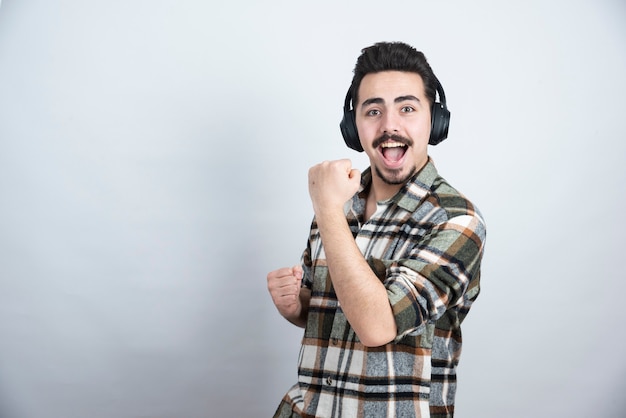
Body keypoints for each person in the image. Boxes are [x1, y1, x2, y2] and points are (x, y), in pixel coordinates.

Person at [267, 41, 486, 418]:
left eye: (407, 108)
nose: (389, 125)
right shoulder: (341, 203)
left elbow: (377, 325)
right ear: (354, 126)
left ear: (433, 120)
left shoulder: (457, 221)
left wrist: (325, 209)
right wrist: (299, 306)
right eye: (373, 110)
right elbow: (336, 310)